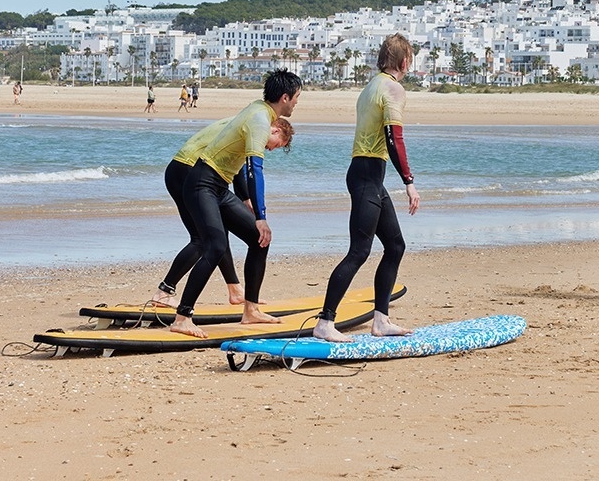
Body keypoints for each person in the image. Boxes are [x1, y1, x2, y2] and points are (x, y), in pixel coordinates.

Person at [168, 68, 302, 338]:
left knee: (259, 239)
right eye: (297, 97)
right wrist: (261, 215)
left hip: (218, 186)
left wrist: (257, 219)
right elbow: (254, 169)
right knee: (215, 246)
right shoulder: (259, 119)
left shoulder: (261, 111)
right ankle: (182, 317)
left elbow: (244, 170)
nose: (298, 102)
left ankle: (250, 310)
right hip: (202, 183)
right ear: (285, 97)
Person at [313, 34, 420, 343]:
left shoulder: (370, 87)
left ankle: (381, 319)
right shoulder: (393, 89)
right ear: (404, 62)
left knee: (395, 246)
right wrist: (409, 183)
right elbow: (394, 138)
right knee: (359, 251)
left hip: (368, 176)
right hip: (367, 177)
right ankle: (325, 321)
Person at [153, 116, 295, 308]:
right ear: (276, 130)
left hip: (198, 176)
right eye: (277, 145)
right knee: (203, 240)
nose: (271, 149)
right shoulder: (256, 125)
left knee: (217, 233)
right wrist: (246, 197)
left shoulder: (250, 122)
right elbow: (243, 164)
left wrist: (244, 197)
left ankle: (235, 290)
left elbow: (235, 161)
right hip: (189, 171)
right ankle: (164, 291)